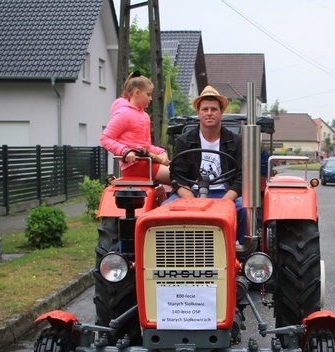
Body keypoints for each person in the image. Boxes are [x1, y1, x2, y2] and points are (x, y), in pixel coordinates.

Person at [168, 85, 246, 244]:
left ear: (221, 112)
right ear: (198, 112)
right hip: (191, 192)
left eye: (213, 109)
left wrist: (226, 201)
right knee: (165, 208)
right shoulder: (185, 140)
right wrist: (191, 200)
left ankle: (242, 256)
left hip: (224, 193)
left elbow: (241, 176)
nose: (209, 113)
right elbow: (177, 175)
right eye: (205, 109)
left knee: (245, 209)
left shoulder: (235, 141)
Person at [99, 71, 171, 185]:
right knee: (179, 178)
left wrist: (162, 152)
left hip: (145, 162)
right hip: (134, 166)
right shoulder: (123, 114)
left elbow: (145, 146)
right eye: (148, 94)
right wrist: (125, 151)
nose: (151, 98)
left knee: (182, 174)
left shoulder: (145, 116)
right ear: (137, 92)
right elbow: (105, 138)